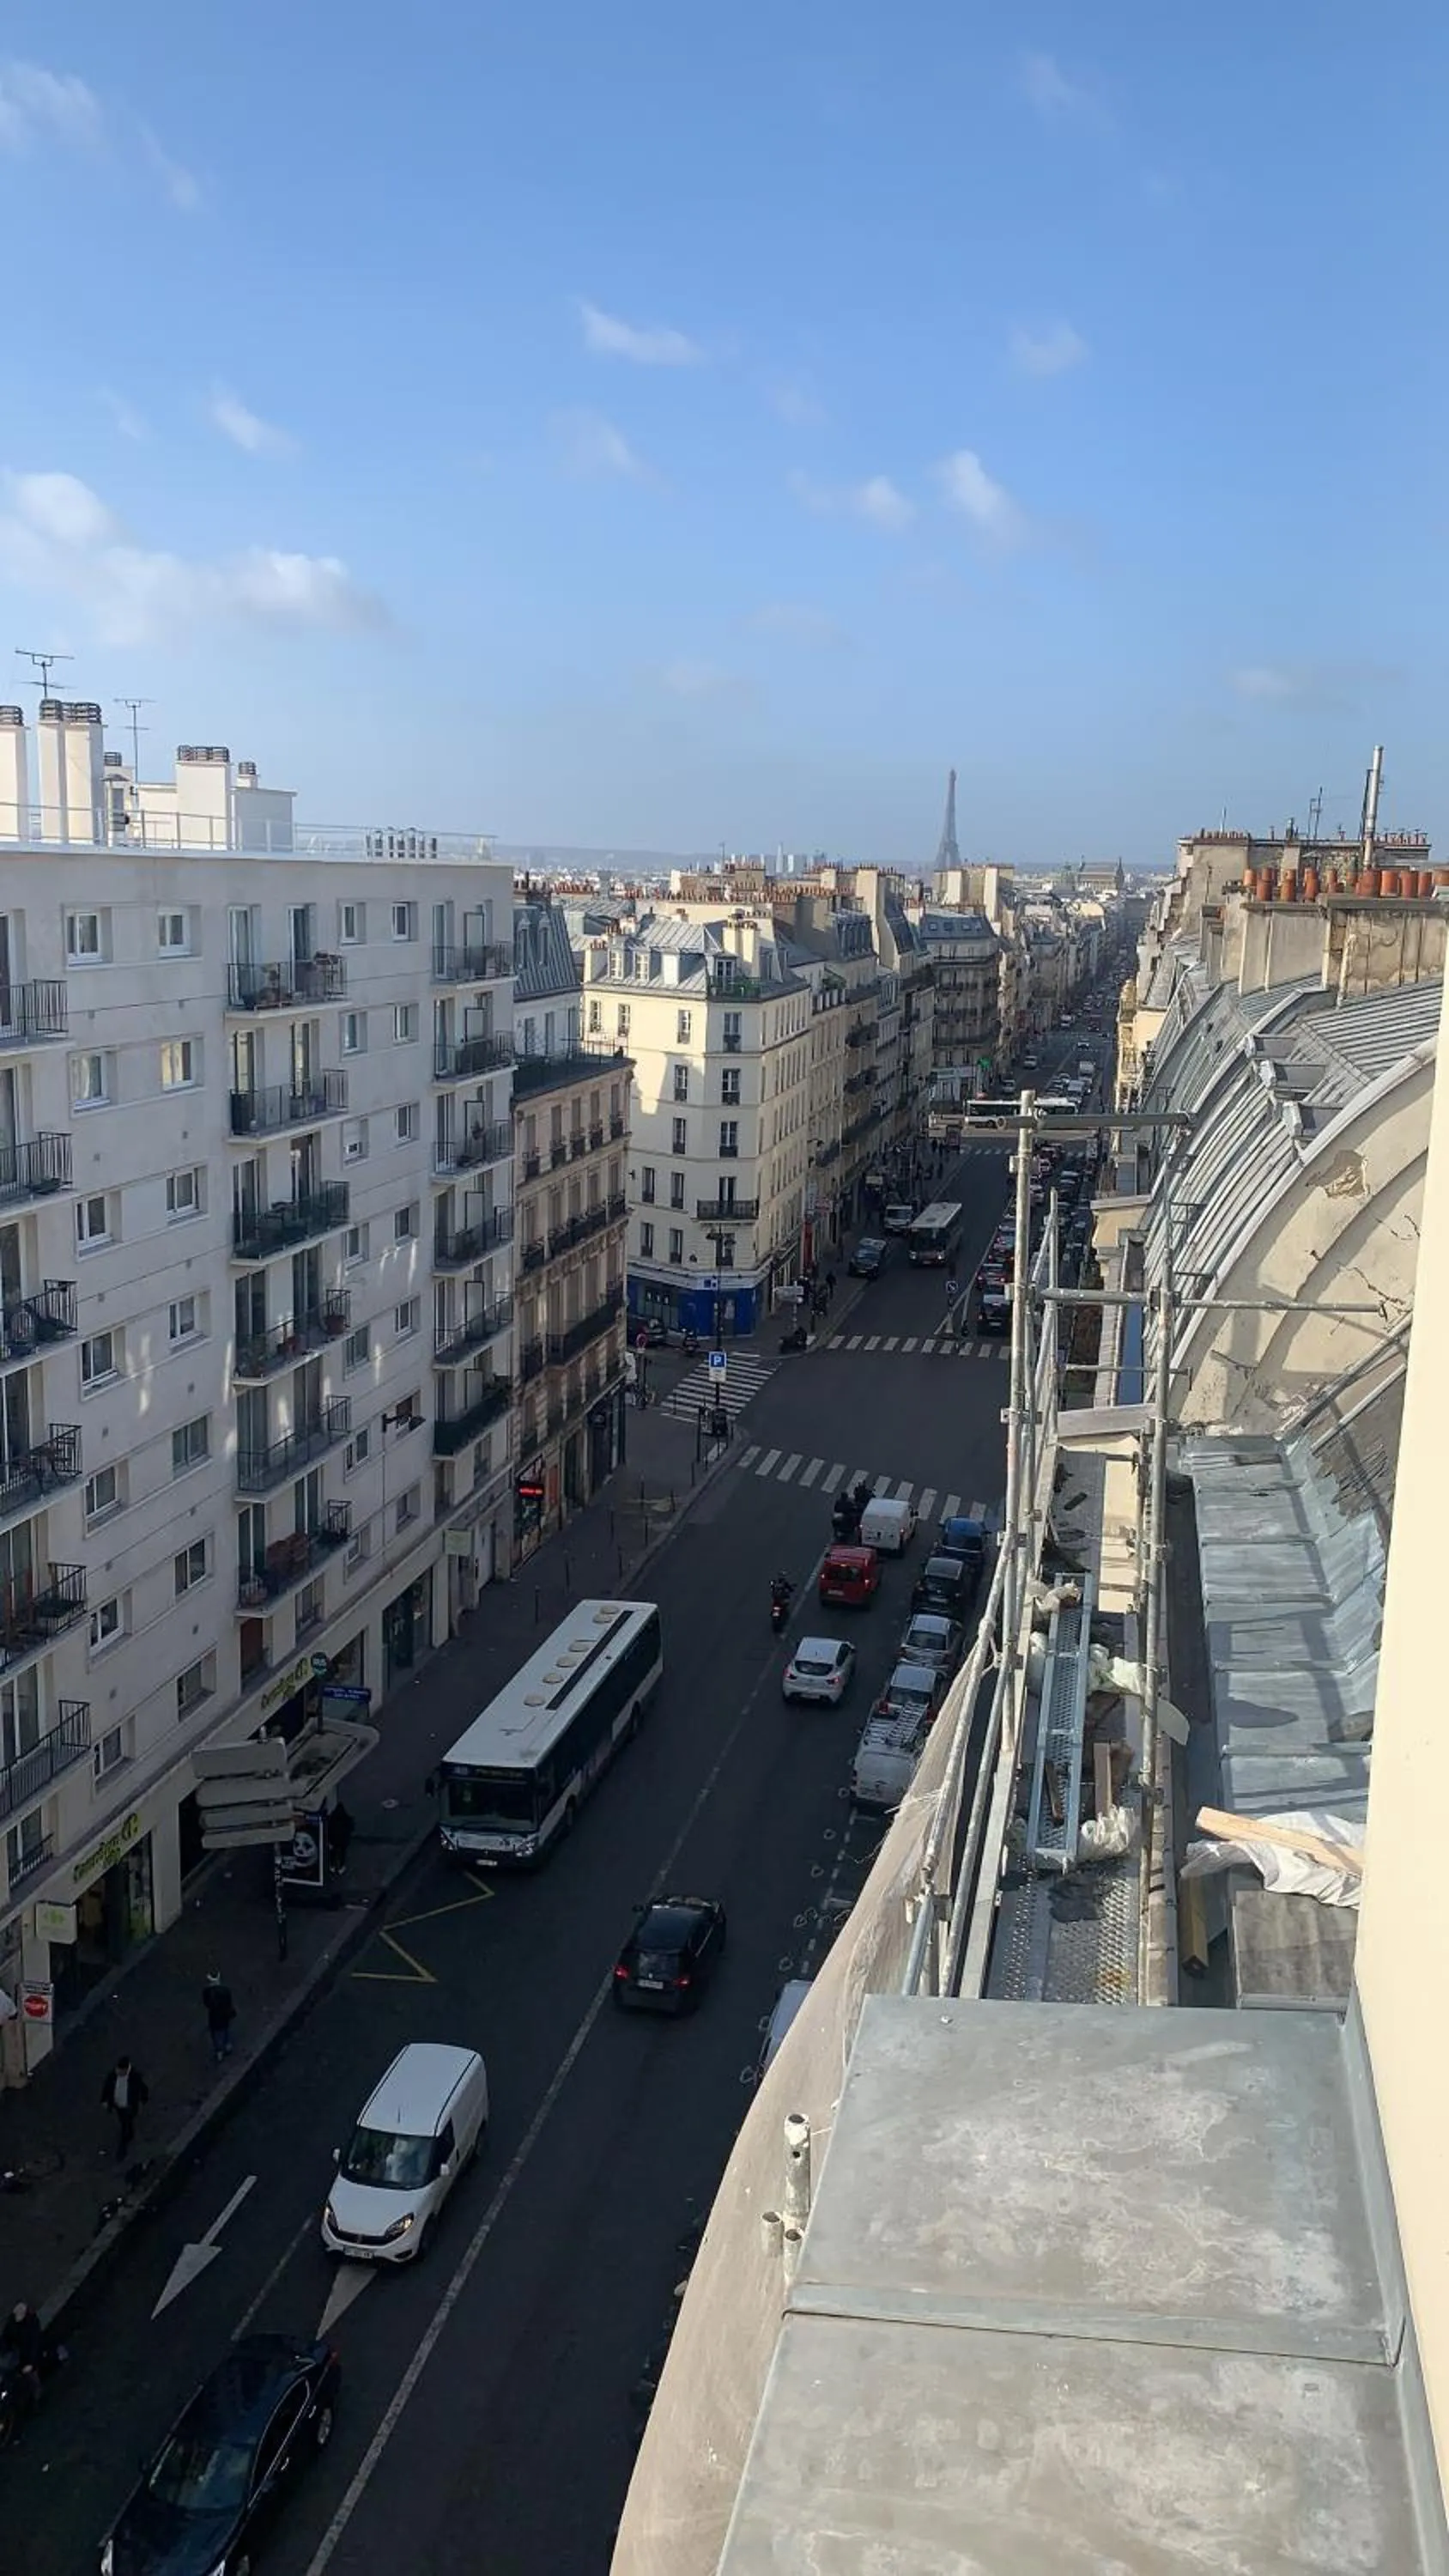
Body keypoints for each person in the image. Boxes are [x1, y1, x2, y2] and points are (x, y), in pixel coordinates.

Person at [100, 2055, 149, 2158]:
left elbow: (143, 2089)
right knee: (124, 2120)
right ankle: (129, 2133)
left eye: (120, 2071)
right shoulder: (113, 2075)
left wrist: (143, 2101)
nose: (118, 2072)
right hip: (118, 2105)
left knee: (126, 2123)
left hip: (129, 2106)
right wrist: (104, 2100)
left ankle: (124, 2143)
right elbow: (107, 2087)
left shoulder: (135, 2077)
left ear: (126, 2070)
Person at [202, 1972, 236, 2065]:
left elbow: (207, 2004)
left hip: (215, 2018)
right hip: (225, 2015)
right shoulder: (225, 1990)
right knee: (226, 2029)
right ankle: (227, 2045)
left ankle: (219, 2052)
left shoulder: (207, 1993)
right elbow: (229, 2002)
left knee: (216, 2035)